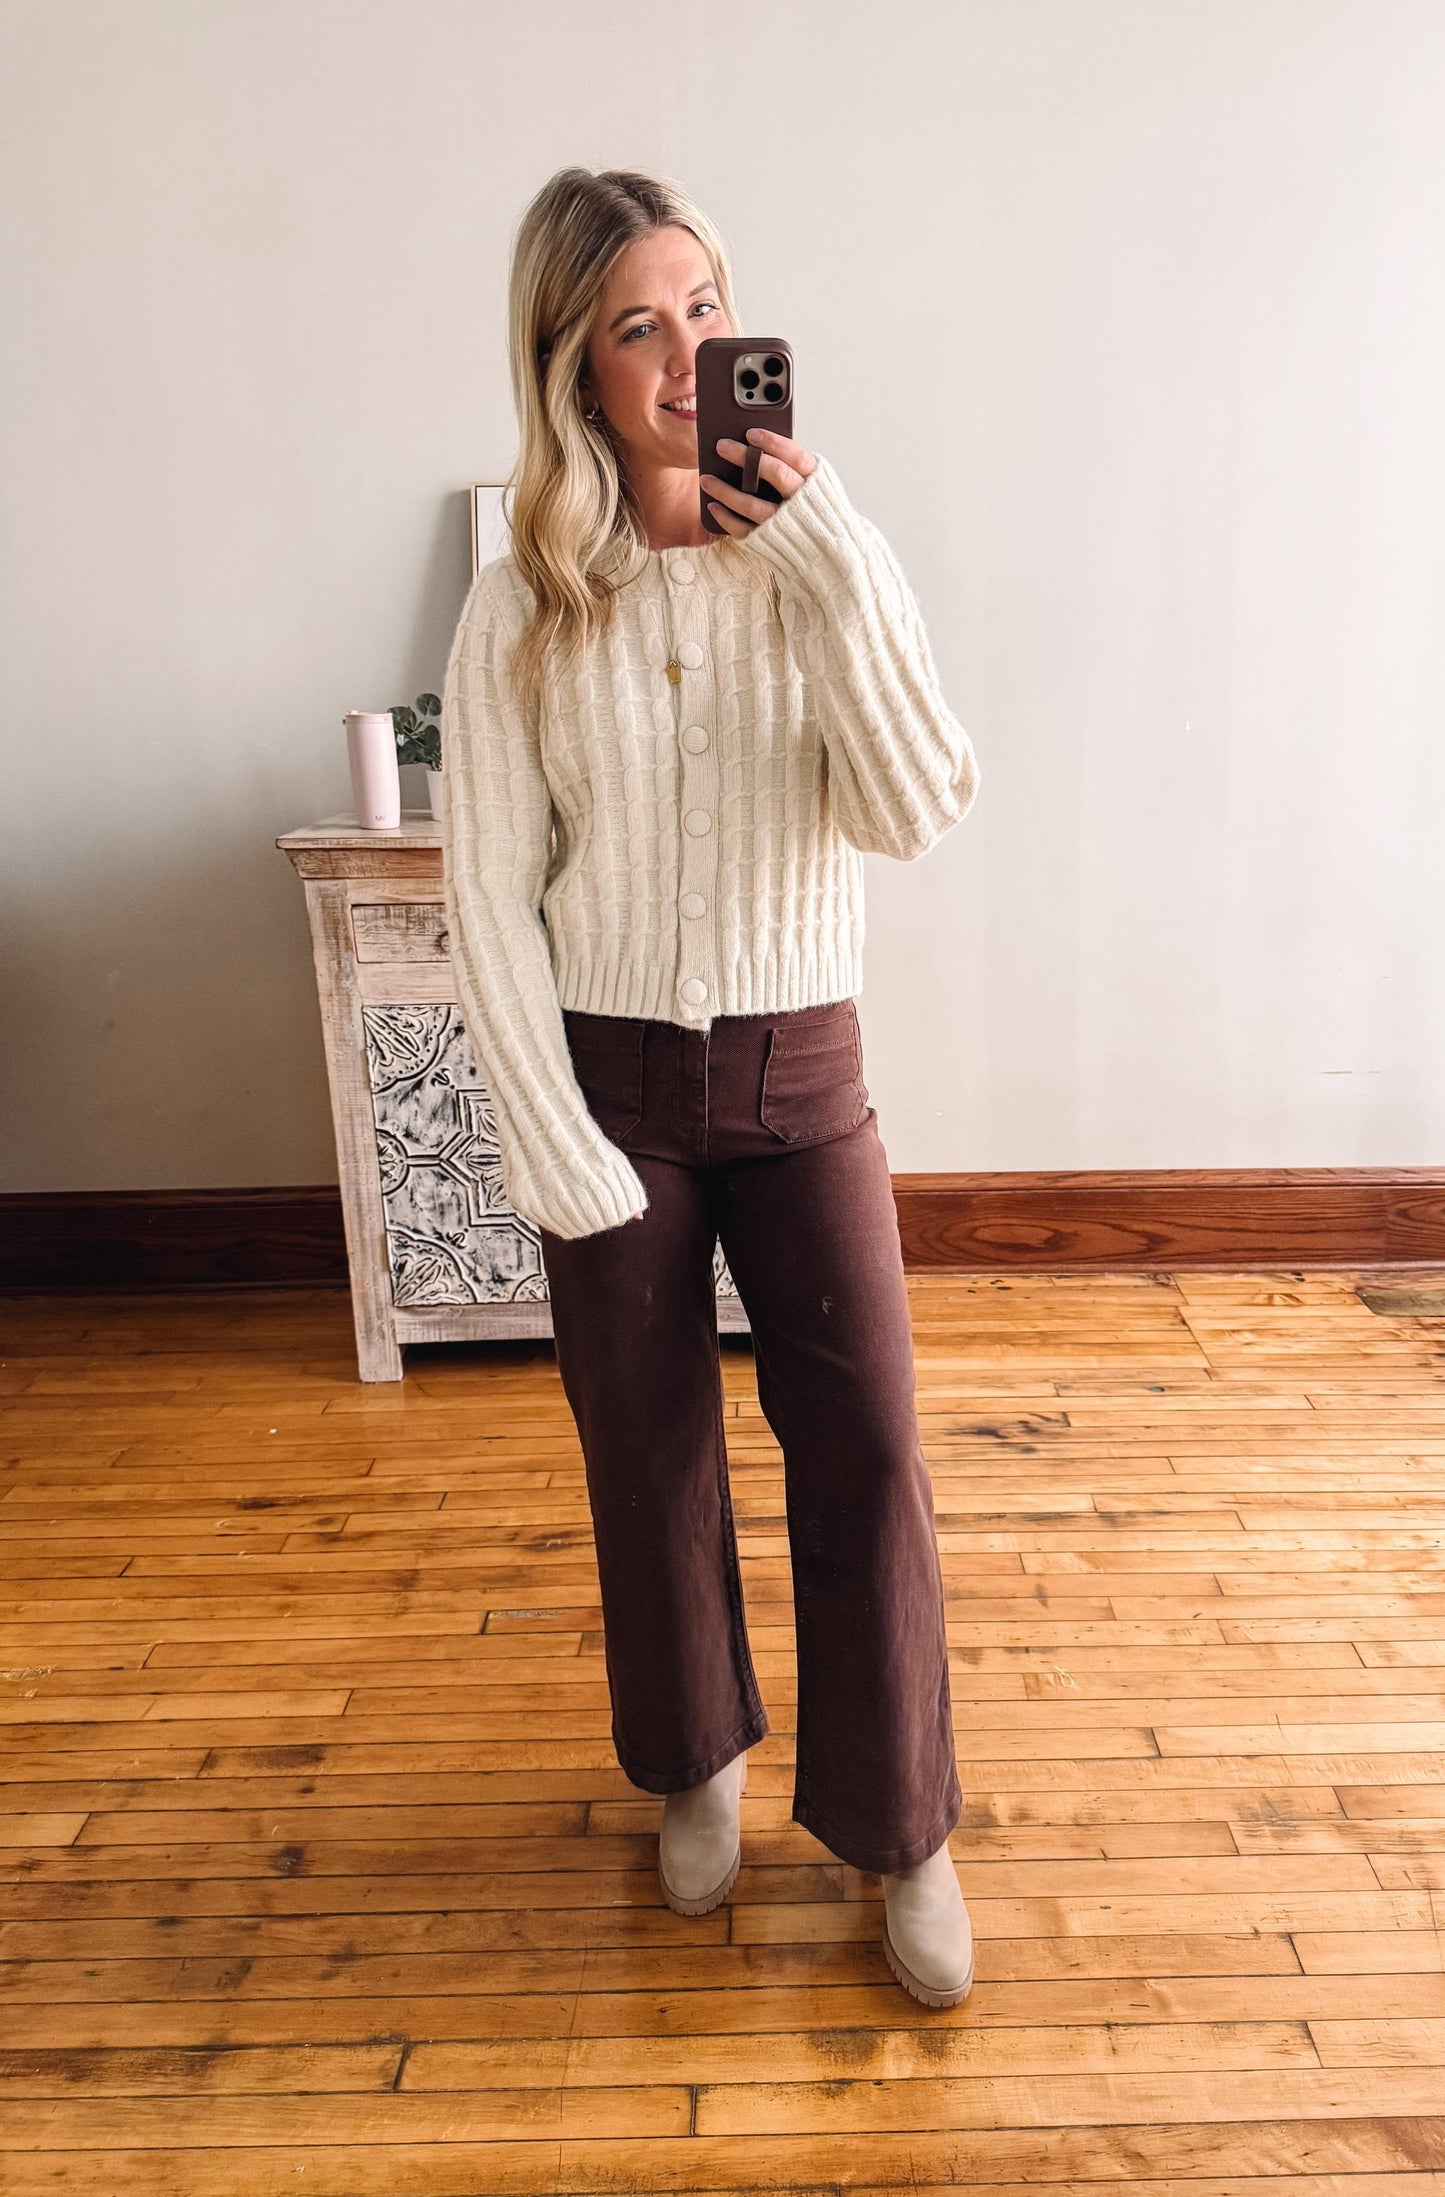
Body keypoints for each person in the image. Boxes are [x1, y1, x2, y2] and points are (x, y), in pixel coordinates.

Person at [441, 166, 982, 2008]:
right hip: (609, 1085)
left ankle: (901, 1825)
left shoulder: (822, 554)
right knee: (646, 1448)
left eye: (704, 309)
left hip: (801, 1064)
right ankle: (693, 1761)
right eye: (635, 327)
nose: (684, 356)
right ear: (574, 371)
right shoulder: (523, 603)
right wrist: (553, 1140)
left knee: (868, 1447)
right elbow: (487, 892)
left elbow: (915, 806)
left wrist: (830, 559)